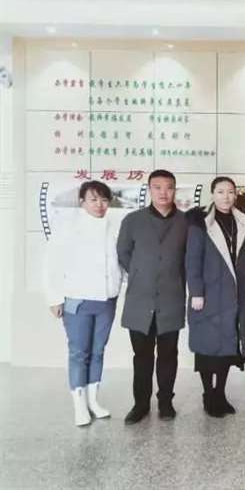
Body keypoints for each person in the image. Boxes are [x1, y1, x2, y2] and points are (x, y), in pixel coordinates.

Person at [46, 181, 122, 426]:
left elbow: (120, 263)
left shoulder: (114, 227)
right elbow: (51, 264)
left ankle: (93, 402)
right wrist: (54, 298)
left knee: (98, 351)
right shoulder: (68, 227)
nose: (99, 205)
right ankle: (79, 406)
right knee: (79, 353)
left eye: (104, 200)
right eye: (93, 199)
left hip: (107, 299)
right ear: (82, 202)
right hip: (77, 299)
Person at [117, 169, 188, 424]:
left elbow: (190, 258)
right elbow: (123, 253)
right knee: (142, 357)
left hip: (171, 299)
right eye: (157, 187)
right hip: (140, 300)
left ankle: (166, 402)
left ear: (175, 190)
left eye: (168, 187)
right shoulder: (132, 220)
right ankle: (141, 404)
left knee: (169, 355)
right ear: (149, 190)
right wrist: (142, 273)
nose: (163, 192)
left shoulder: (185, 222)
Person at [185, 177, 245, 418]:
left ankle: (220, 394)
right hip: (208, 294)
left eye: (231, 192)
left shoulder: (243, 222)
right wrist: (196, 292)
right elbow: (192, 261)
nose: (226, 196)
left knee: (228, 347)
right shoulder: (200, 223)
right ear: (212, 194)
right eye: (221, 191)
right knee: (206, 348)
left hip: (234, 295)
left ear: (236, 195)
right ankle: (208, 394)